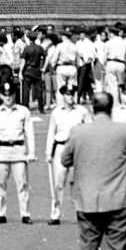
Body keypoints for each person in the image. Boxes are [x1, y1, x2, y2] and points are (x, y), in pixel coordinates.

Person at [60, 92, 126, 250]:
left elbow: (65, 160)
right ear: (111, 108)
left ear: (93, 108)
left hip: (87, 201)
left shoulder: (78, 132)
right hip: (118, 200)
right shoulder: (123, 131)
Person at [0, 81, 35, 224]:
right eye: (5, 95)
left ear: (14, 95)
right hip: (1, 150)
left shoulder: (23, 111)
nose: (8, 98)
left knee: (22, 183)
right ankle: (0, 213)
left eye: (11, 94)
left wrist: (31, 152)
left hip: (18, 149)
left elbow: (29, 133)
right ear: (1, 96)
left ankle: (25, 214)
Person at [45, 84, 91, 225]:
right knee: (58, 182)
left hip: (78, 148)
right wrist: (48, 152)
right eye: (68, 94)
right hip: (61, 147)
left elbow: (90, 130)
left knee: (78, 183)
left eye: (72, 94)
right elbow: (51, 133)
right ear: (63, 96)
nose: (70, 97)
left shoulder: (82, 111)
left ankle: (81, 213)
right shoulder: (56, 112)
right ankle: (55, 214)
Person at [19, 31, 46, 114]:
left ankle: (25, 107)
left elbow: (23, 61)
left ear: (29, 38)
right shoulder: (40, 48)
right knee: (39, 90)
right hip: (37, 70)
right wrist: (42, 67)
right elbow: (45, 57)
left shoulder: (26, 48)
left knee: (26, 90)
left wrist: (20, 72)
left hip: (28, 70)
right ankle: (41, 108)